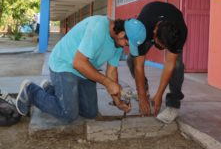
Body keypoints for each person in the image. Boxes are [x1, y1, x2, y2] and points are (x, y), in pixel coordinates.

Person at [16, 15, 146, 122]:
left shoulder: (118, 43)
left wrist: (117, 100)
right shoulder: (99, 28)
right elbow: (78, 63)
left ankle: (51, 90)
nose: (126, 46)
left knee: (90, 112)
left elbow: (111, 71)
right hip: (64, 64)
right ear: (122, 33)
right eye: (127, 43)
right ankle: (31, 91)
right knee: (68, 113)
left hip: (85, 70)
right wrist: (106, 82)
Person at [127, 1, 188, 123]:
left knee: (177, 66)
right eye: (160, 45)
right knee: (132, 60)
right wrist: (142, 95)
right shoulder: (142, 28)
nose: (163, 49)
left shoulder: (180, 32)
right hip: (148, 21)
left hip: (173, 21)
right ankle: (145, 90)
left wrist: (159, 95)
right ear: (154, 32)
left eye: (165, 47)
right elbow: (139, 65)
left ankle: (173, 105)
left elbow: (170, 64)